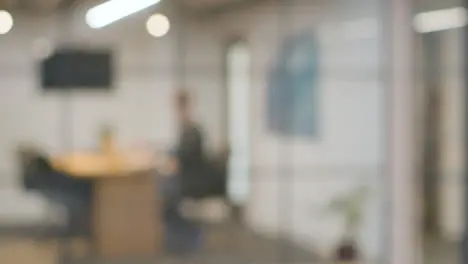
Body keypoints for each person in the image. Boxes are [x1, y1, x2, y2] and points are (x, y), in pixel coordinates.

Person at [160, 89, 205, 253]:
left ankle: (185, 237)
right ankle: (179, 236)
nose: (178, 112)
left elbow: (180, 161)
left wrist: (167, 162)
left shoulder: (193, 132)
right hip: (183, 177)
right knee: (162, 188)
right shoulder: (185, 130)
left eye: (180, 107)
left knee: (162, 193)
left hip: (190, 181)